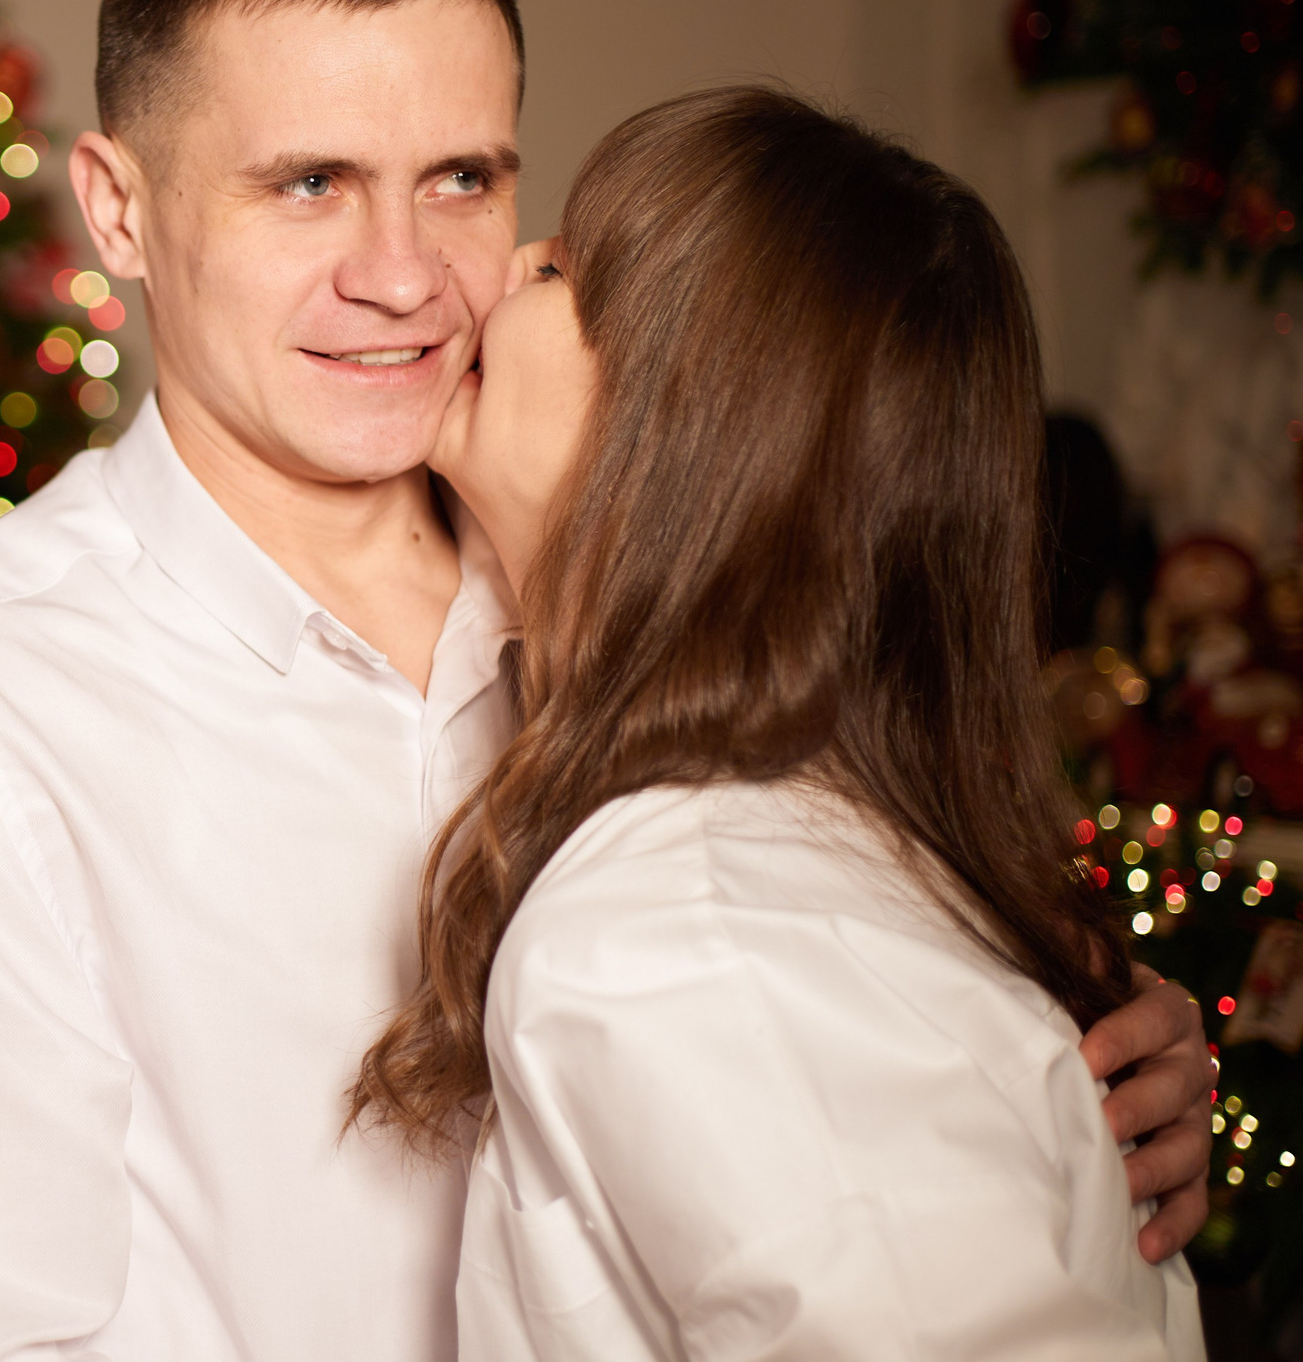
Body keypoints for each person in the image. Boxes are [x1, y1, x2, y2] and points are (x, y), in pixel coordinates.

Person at [0, 0, 1215, 1359]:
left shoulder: (678, 609)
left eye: (462, 179)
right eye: (309, 183)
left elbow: (868, 1008)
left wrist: (1074, 1068)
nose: (402, 278)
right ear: (121, 212)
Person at [356, 87, 1205, 1359]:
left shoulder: (687, 923)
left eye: (571, 269)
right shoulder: (735, 874)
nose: (506, 265)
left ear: (691, 424)